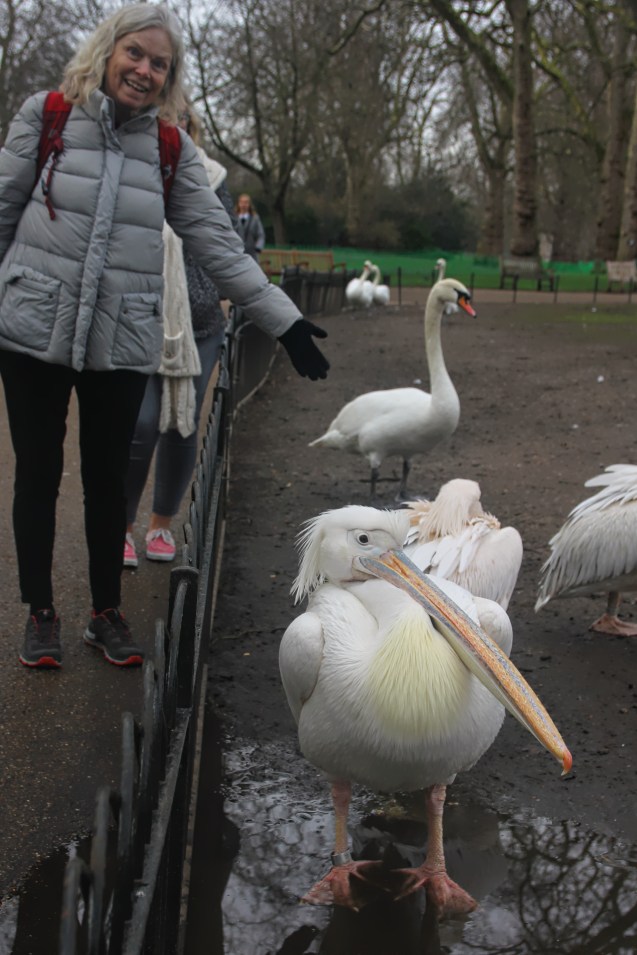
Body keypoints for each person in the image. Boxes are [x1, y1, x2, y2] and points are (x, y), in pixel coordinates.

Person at [0, 3, 329, 670]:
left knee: (105, 476)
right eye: (135, 55)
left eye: (160, 64)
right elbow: (3, 210)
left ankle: (104, 611)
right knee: (36, 474)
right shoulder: (49, 114)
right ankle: (40, 613)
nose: (145, 70)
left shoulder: (169, 149)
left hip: (120, 336)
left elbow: (217, 243)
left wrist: (283, 319)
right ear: (108, 51)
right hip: (33, 324)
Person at [124, 99, 237, 567]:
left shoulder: (212, 178)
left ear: (191, 128)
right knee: (140, 423)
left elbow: (228, 243)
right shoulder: (130, 170)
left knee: (182, 423)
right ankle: (119, 525)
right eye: (160, 117)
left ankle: (160, 525)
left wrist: (206, 293)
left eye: (179, 117)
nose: (171, 124)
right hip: (139, 320)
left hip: (201, 325)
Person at [235, 193, 266, 261]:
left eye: (246, 202)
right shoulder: (234, 218)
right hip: (237, 252)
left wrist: (258, 247)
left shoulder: (255, 218)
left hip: (252, 252)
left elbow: (261, 235)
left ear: (249, 204)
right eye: (242, 202)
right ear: (238, 203)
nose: (244, 205)